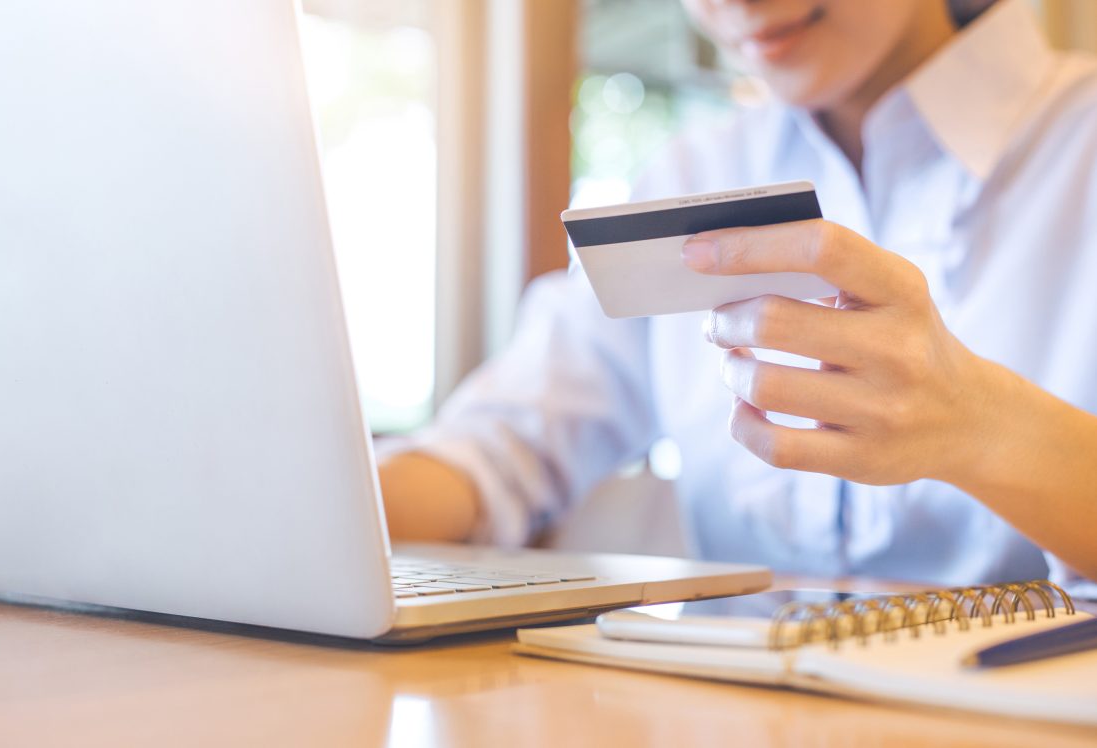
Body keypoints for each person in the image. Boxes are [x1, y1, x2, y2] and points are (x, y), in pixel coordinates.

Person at [377, 0, 1097, 594]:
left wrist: (982, 427)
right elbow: (503, 447)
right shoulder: (692, 174)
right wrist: (318, 520)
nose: (732, 7)